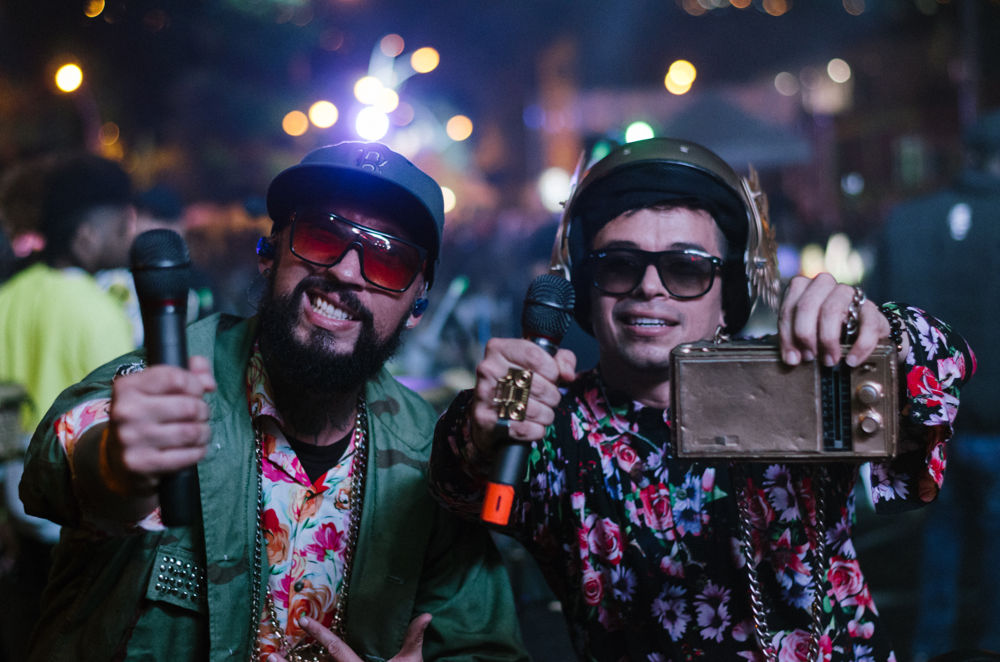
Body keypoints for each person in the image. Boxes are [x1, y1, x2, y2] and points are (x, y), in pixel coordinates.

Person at [428, 137, 974, 661]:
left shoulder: (795, 376)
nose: (649, 287)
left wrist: (881, 332)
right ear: (586, 290)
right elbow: (457, 477)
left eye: (685, 268)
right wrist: (488, 419)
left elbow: (945, 362)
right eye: (619, 265)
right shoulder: (555, 425)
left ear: (728, 295)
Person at [19, 141, 529, 662]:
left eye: (388, 259)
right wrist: (119, 466)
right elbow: (56, 465)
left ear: (418, 306)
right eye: (322, 236)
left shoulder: (428, 454)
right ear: (269, 254)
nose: (346, 272)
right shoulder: (175, 377)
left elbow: (484, 644)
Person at [872, 110, 1000, 657]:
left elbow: (877, 318)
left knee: (938, 543)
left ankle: (931, 646)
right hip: (996, 421)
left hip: (928, 422)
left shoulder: (907, 221)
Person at [0, 152, 138, 660]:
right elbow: (123, 420)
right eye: (122, 225)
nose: (130, 235)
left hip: (18, 509)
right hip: (78, 515)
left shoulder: (10, 296)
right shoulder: (99, 312)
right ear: (86, 236)